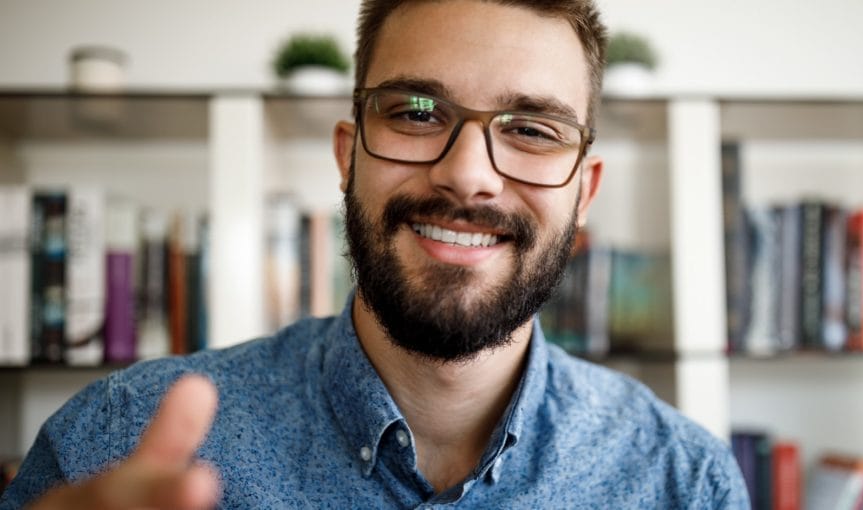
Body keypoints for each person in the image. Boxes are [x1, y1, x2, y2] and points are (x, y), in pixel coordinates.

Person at [1, 1, 750, 508]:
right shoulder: (112, 445)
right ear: (347, 154)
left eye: (531, 129)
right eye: (417, 113)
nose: (468, 174)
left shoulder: (683, 480)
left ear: (584, 192)